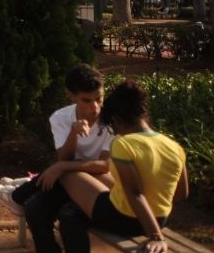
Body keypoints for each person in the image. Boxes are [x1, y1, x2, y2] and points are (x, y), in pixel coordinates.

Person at [55, 79, 188, 253]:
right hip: (161, 218)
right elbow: (181, 194)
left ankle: (30, 195)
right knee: (74, 211)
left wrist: (156, 236)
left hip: (124, 219)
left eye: (113, 127)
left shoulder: (123, 144)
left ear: (116, 121)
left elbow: (135, 193)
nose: (115, 132)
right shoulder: (174, 146)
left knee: (68, 173)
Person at [0, 64, 112, 252]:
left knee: (67, 215)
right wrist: (73, 133)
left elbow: (104, 166)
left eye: (99, 98)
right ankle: (21, 192)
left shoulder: (112, 120)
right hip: (67, 181)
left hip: (97, 186)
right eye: (86, 100)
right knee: (34, 208)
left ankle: (19, 193)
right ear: (72, 96)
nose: (95, 107)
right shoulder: (60, 117)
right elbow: (64, 157)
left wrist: (61, 167)